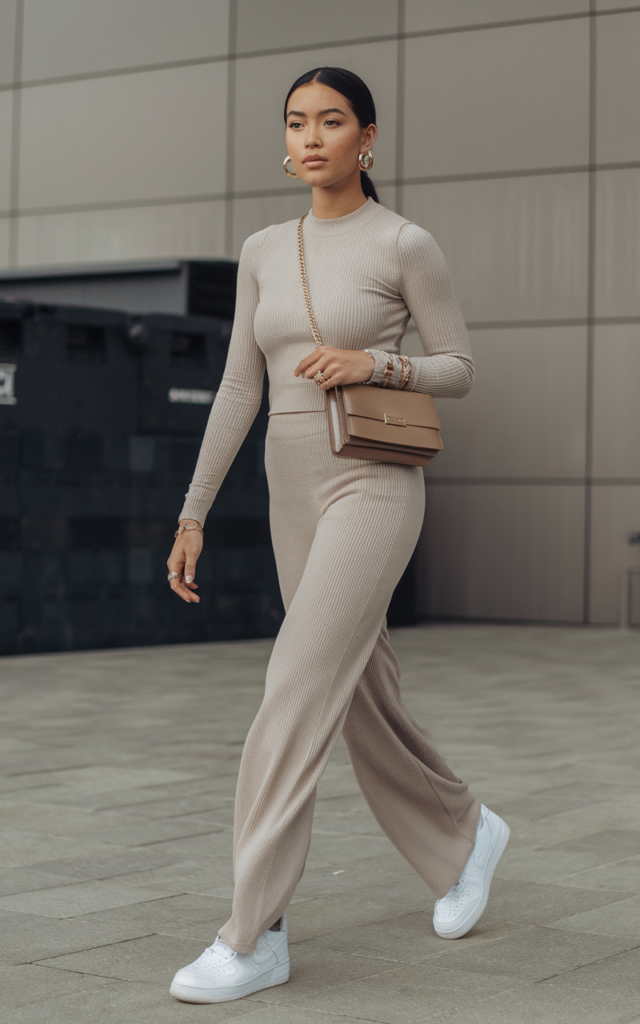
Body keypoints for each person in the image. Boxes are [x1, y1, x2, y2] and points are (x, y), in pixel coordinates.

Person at [166, 67, 509, 1005]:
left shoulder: (405, 243)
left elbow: (461, 367)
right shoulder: (264, 249)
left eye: (331, 121)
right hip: (290, 487)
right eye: (297, 122)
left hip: (375, 479)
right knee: (359, 692)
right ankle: (465, 832)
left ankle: (254, 932)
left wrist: (378, 360)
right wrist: (193, 511)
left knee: (295, 683)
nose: (311, 136)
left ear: (367, 138)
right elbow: (241, 386)